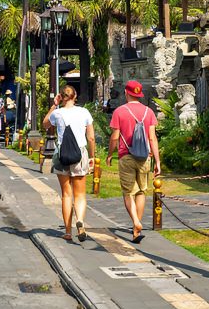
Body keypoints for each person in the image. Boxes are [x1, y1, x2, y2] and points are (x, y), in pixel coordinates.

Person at [109, 80, 161, 243]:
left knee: (128, 192)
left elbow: (115, 137)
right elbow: (152, 138)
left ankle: (136, 222)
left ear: (126, 92)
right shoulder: (149, 112)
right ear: (139, 95)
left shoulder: (119, 112)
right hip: (144, 157)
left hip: (126, 156)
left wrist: (110, 154)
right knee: (141, 192)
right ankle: (136, 231)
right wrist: (157, 161)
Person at [43, 85, 97, 242]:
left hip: (61, 155)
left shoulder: (58, 113)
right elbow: (91, 137)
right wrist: (92, 156)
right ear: (75, 96)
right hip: (79, 153)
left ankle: (67, 231)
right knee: (80, 194)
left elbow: (45, 124)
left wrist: (54, 105)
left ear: (62, 97)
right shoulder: (84, 112)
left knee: (66, 194)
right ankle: (80, 220)